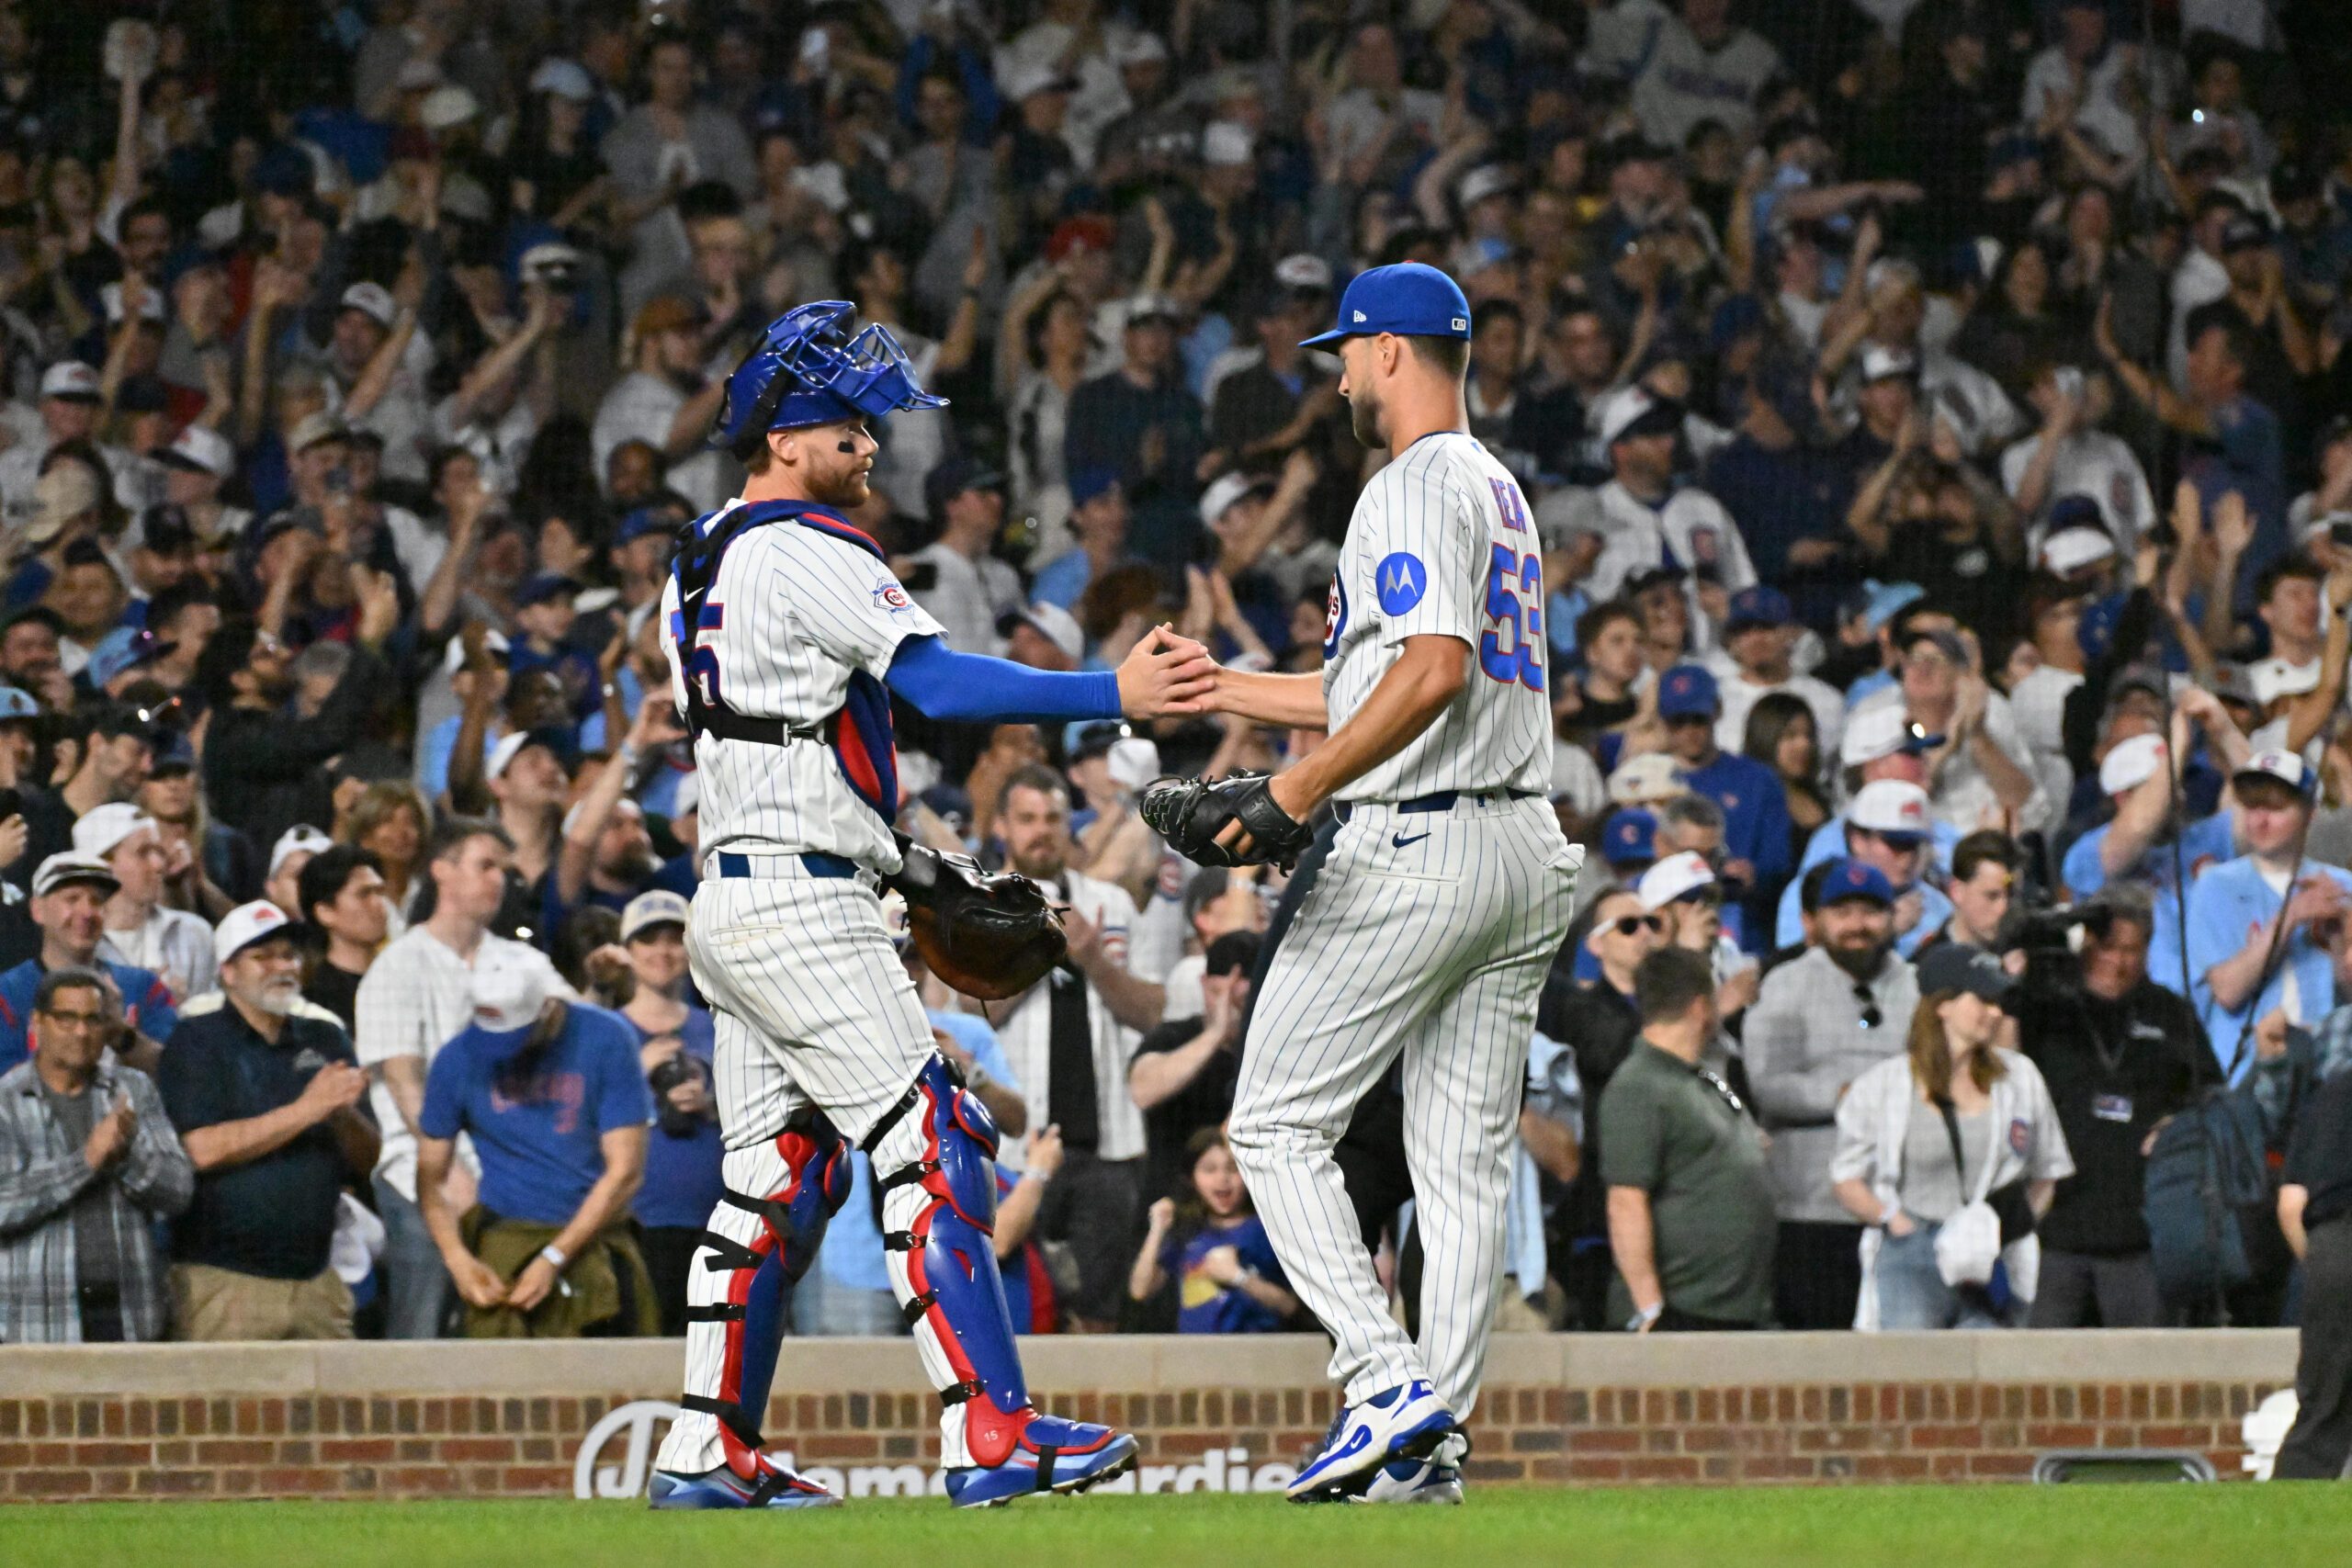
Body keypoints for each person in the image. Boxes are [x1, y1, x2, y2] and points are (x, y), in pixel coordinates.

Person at [647, 299, 1211, 1510]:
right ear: (788, 435)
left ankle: (706, 1445)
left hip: (738, 894)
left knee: (779, 1173)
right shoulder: (814, 547)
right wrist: (1112, 683)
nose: (870, 445)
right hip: (803, 905)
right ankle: (988, 1431)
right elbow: (941, 684)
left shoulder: (696, 556)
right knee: (940, 1130)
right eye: (849, 423)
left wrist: (904, 864)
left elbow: (780, 746)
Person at [1182, 265, 1582, 1505]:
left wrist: (1292, 793)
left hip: (1424, 844)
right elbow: (1389, 680)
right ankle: (1432, 1441)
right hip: (1521, 841)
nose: (1340, 376)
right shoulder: (1494, 485)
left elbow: (1433, 671)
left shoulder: (1405, 483)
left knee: (1272, 1122)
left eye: (1346, 354)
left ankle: (1382, 1378)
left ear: (1392, 351)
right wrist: (1224, 689)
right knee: (1460, 1162)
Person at [355, 818, 571, 1341]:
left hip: (513, 1174)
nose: (498, 880)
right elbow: (405, 1079)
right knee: (424, 1327)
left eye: (503, 869)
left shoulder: (521, 961)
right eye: (485, 865)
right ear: (442, 871)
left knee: (516, 1326)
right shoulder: (398, 965)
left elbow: (575, 1034)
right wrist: (445, 1167)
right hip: (421, 1171)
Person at [984, 764, 1163, 1332]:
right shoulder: (979, 902)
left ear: (1070, 826)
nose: (1042, 831)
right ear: (1003, 828)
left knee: (1096, 1318)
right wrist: (1039, 948)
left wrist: (1092, 958)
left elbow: (1150, 1012)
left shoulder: (1110, 904)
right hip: (1014, 1149)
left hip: (1106, 1141)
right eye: (1028, 819)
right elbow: (975, 1012)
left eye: (1054, 818)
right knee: (1013, 1311)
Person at [156, 902, 377, 1340]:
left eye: (288, 955)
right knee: (224, 1410)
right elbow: (200, 1150)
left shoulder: (324, 1037)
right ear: (228, 972)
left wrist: (342, 1113)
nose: (281, 967)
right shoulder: (197, 1040)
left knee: (335, 1409)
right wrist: (307, 1109)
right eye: (262, 957)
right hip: (225, 1284)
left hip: (317, 1279)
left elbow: (369, 1158)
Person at [415, 946, 657, 1338]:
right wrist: (457, 1258)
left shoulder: (606, 1039)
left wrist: (554, 1256)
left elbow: (626, 1172)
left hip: (593, 1242)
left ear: (548, 1007)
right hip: (504, 1237)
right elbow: (431, 1175)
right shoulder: (458, 1057)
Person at [1831, 944, 2074, 1329]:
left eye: (1998, 1001)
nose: (1995, 1012)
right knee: (1915, 1382)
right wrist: (1896, 1223)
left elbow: (2048, 1170)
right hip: (1913, 1252)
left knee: (1992, 1384)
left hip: (1992, 1257)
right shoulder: (1884, 1086)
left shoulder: (2019, 1077)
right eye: (1982, 1000)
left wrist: (2011, 1226)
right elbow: (1846, 1178)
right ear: (1942, 1006)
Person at [2012, 889, 2214, 1328]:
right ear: (2085, 944)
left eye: (2131, 950)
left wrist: (2175, 1125)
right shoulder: (2047, 1010)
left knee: (2145, 1373)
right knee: (2037, 1368)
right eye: (2106, 948)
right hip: (2055, 1229)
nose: (2118, 962)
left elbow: (2209, 1094)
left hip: (2136, 1233)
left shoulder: (2169, 1012)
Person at [1744, 860, 1921, 1329]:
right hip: (1811, 1208)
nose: (1858, 925)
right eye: (1842, 911)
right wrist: (1846, 1095)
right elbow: (1767, 1085)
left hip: (1898, 1207)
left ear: (1891, 917)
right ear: (1816, 920)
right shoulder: (1786, 984)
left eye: (1870, 911)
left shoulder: (1915, 985)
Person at [0, 965, 191, 1341]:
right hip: (36, 1321)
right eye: (66, 1018)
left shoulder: (134, 1090)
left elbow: (178, 1191)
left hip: (131, 1314)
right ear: (37, 1022)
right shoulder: (5, 1102)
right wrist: (85, 1162)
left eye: (93, 1019)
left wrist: (125, 1159)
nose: (82, 1032)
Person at [1599, 946, 1776, 1332]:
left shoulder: (1697, 1077)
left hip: (1729, 1310)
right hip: (1679, 1315)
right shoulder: (1639, 1086)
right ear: (1701, 1007)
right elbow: (1625, 1202)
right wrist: (1650, 1310)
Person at [2186, 750, 2352, 1078]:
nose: (2259, 821)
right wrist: (2290, 917)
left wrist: (2341, 936)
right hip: (2247, 1073)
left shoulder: (2342, 886)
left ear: (2310, 813)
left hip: (2329, 1073)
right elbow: (2228, 991)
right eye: (2251, 806)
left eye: (2275, 808)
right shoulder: (2216, 886)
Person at [613, 888, 723, 1337]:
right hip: (638, 1220)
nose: (662, 951)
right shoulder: (607, 1029)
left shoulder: (718, 1022)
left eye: (674, 939)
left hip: (715, 1219)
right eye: (647, 940)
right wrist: (639, 1073)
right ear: (627, 951)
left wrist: (710, 1104)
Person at [0, 853, 180, 1073]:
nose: (86, 913)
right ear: (38, 910)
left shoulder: (145, 987)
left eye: (96, 901)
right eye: (72, 899)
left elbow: (177, 1075)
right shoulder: (7, 993)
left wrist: (120, 1034)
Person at [1655, 663, 1792, 951]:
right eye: (1678, 722)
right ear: (1663, 722)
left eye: (1698, 719)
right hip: (1663, 923)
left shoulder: (1757, 780)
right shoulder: (1643, 782)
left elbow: (1779, 861)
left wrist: (1755, 874)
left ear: (1717, 711)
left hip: (1740, 922)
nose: (1689, 731)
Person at [1126, 931, 1257, 1204]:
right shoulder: (1173, 1037)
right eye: (1218, 994)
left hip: (1248, 1212)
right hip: (1172, 1210)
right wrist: (1215, 1034)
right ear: (1203, 984)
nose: (1231, 1009)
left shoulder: (1275, 1053)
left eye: (1242, 1001)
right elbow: (1143, 1090)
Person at [1128, 1128, 1299, 1334]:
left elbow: (1291, 1307)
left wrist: (1239, 1278)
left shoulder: (1265, 1230)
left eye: (1233, 1169)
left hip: (1254, 1355)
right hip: (1196, 1356)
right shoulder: (1188, 1232)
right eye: (1209, 1169)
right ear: (1192, 1178)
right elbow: (1140, 1290)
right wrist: (1157, 1230)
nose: (1222, 1179)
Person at [2274, 1064, 2352, 1478]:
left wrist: (2325, 1264)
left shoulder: (2334, 1092)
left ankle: (2274, 1535)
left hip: (2336, 1245)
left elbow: (2291, 1206)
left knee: (2321, 1416)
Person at [297, 845, 390, 1034]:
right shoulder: (312, 998)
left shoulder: (403, 977)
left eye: (380, 892)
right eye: (364, 894)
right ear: (325, 912)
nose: (379, 904)